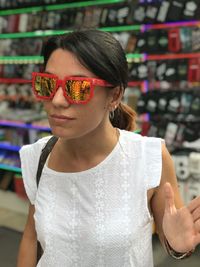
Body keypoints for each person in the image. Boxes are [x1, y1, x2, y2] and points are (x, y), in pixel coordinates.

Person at [17, 29, 200, 267]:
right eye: (47, 84)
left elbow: (174, 241)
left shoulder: (148, 158)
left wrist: (177, 247)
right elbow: (32, 237)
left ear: (114, 96)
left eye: (78, 87)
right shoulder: (37, 158)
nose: (57, 100)